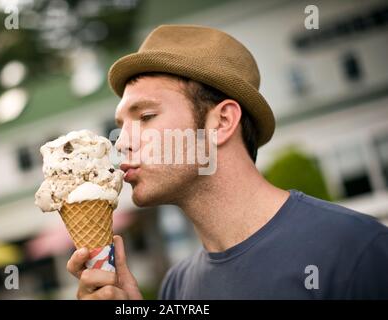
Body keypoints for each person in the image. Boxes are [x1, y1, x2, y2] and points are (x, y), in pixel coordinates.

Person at [66, 24, 388, 299]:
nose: (121, 143)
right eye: (121, 127)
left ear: (221, 122)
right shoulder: (177, 288)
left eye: (146, 116)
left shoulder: (357, 252)